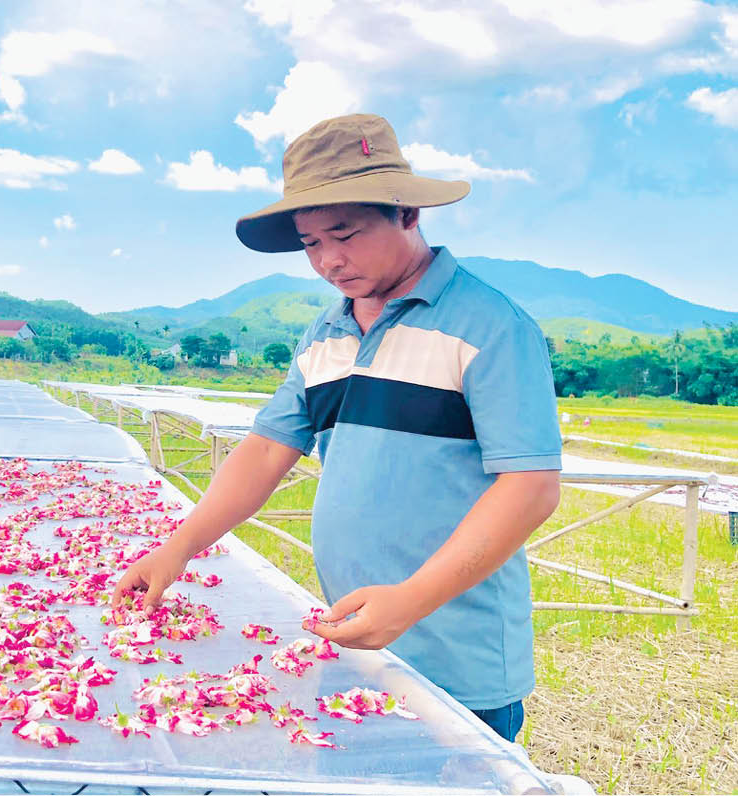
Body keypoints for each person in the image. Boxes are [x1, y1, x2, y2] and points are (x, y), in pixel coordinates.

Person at [113, 114, 562, 743]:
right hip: (351, 644)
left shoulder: (490, 326)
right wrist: (179, 546)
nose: (328, 260)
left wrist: (412, 598)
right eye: (311, 243)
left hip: (456, 661)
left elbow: (531, 486)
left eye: (344, 234)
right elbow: (270, 447)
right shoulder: (326, 330)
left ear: (407, 213)